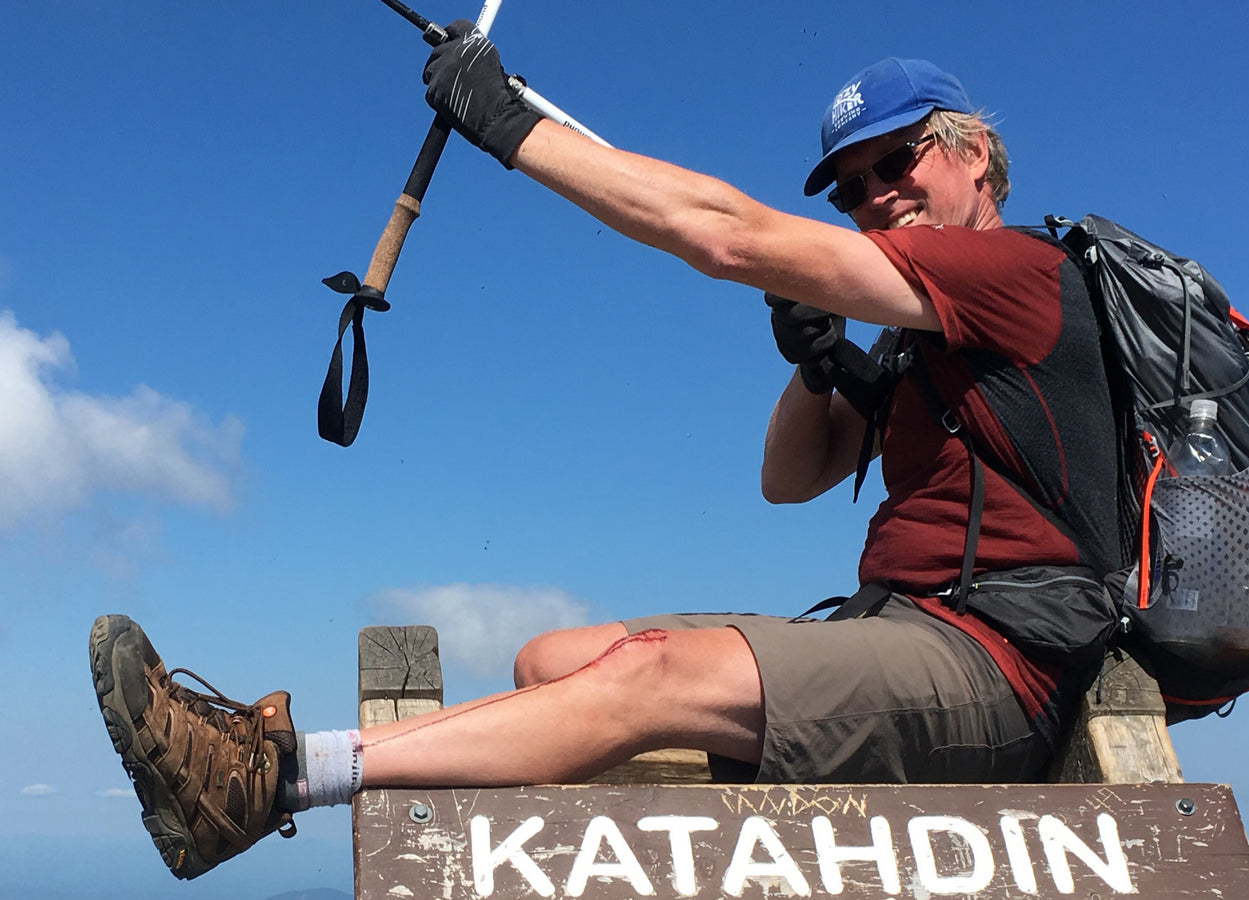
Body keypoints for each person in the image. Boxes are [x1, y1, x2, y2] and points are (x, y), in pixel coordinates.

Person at [89, 23, 1121, 881]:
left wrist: (505, 124)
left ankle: (273, 778)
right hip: (904, 630)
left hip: (996, 667)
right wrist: (819, 368)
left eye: (896, 162)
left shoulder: (1008, 270)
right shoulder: (922, 334)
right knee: (553, 661)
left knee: (650, 674)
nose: (876, 197)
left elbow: (722, 235)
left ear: (972, 153)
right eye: (850, 191)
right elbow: (789, 481)